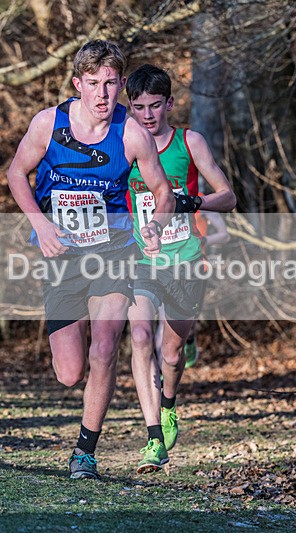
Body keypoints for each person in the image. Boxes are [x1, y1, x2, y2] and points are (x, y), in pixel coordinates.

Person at [7, 41, 174, 480]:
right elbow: (15, 173)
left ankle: (85, 453)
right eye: (94, 83)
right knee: (69, 372)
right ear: (78, 84)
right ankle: (80, 410)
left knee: (105, 347)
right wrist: (41, 225)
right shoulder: (49, 124)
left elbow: (162, 191)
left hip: (113, 253)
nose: (103, 93)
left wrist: (154, 225)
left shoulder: (131, 133)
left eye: (111, 83)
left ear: (121, 84)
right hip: (61, 257)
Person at [125, 64, 236, 473]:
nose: (148, 115)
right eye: (139, 107)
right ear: (130, 107)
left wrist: (192, 203)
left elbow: (228, 196)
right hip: (140, 259)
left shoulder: (189, 142)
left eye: (156, 106)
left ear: (170, 103)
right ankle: (154, 438)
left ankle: (168, 403)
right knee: (139, 335)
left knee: (171, 354)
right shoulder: (122, 143)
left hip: (186, 259)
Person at [178, 210, 230, 368]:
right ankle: (161, 370)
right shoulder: (156, 200)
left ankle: (190, 339)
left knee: (188, 322)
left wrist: (200, 240)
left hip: (197, 269)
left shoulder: (201, 202)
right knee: (164, 322)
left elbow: (224, 235)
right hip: (166, 267)